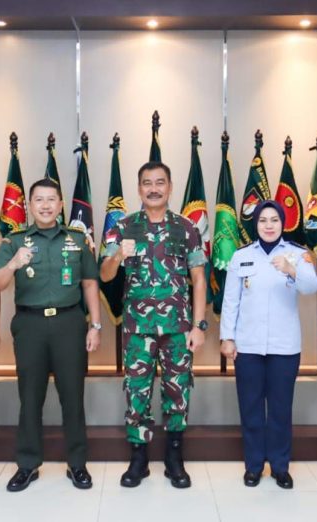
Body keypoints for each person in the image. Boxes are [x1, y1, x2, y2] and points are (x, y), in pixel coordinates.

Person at [0, 178, 101, 492]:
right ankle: (27, 465)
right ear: (29, 205)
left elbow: (90, 283)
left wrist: (95, 325)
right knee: (30, 397)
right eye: (39, 200)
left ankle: (77, 464)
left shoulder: (77, 239)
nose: (46, 205)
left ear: (61, 205)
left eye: (52, 199)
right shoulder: (14, 241)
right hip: (30, 325)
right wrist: (13, 264)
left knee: (72, 397)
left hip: (69, 323)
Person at [100, 161, 206, 489]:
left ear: (170, 187)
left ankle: (174, 458)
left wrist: (199, 326)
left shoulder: (186, 228)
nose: (154, 188)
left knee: (178, 392)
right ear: (139, 189)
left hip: (177, 329)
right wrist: (117, 256)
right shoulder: (123, 227)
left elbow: (199, 279)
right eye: (147, 183)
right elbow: (105, 275)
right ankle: (139, 460)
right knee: (137, 393)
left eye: (160, 182)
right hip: (137, 329)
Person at [220, 200, 317, 489]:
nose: (268, 225)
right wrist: (227, 337)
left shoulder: (297, 254)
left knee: (280, 410)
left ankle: (280, 466)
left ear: (283, 223)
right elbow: (231, 300)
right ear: (256, 224)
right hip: (248, 346)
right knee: (250, 408)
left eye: (274, 220)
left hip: (284, 346)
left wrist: (291, 270)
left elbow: (311, 287)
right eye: (263, 220)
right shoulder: (241, 256)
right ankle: (253, 466)